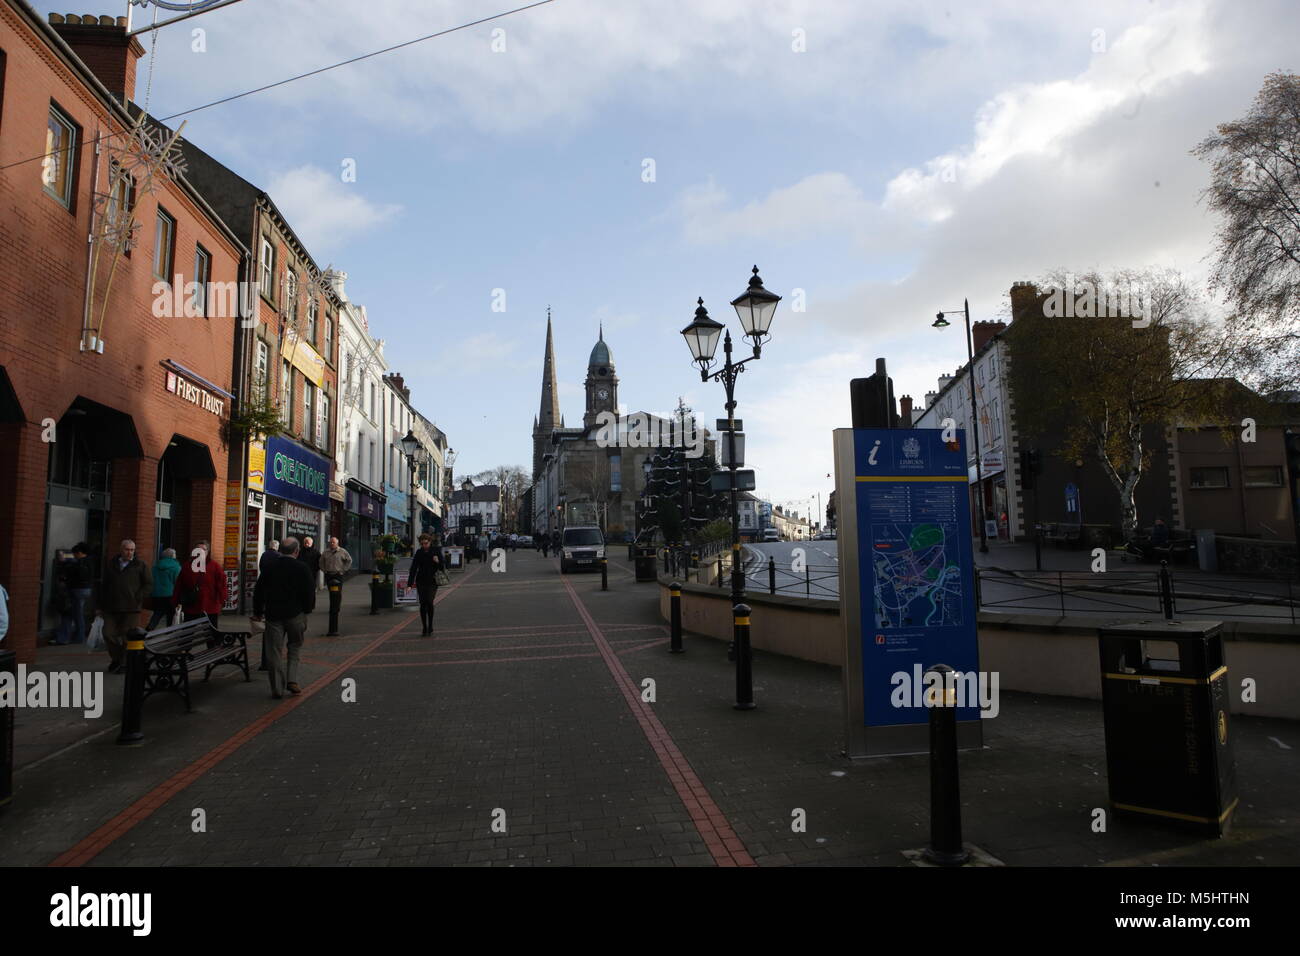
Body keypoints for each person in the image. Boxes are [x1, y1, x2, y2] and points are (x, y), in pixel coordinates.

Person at [252, 536, 315, 699]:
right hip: (296, 614)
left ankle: (277, 688)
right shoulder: (302, 568)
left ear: (280, 551)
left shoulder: (270, 567)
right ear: (297, 551)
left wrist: (258, 611)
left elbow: (259, 591)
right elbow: (309, 592)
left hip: (274, 615)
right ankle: (292, 679)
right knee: (294, 646)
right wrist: (307, 610)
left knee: (274, 651)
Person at [96, 539, 152, 673]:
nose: (129, 552)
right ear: (121, 550)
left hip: (131, 608)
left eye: (132, 550)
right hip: (111, 607)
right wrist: (99, 606)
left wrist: (138, 597)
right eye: (127, 549)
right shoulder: (111, 564)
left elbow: (149, 584)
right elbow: (104, 586)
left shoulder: (140, 565)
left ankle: (123, 663)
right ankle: (117, 658)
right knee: (108, 634)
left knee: (127, 637)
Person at [173, 539, 228, 626]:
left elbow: (221, 584)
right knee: (188, 632)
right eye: (198, 549)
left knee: (211, 632)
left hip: (210, 605)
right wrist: (176, 600)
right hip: (191, 604)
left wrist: (222, 599)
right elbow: (180, 584)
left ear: (207, 552)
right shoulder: (187, 566)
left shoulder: (215, 566)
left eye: (203, 549)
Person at [53, 542, 95, 645]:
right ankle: (68, 637)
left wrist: (63, 564)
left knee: (75, 614)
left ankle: (76, 637)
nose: (74, 556)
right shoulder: (89, 562)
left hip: (77, 590)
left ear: (80, 553)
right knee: (74, 613)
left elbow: (71, 574)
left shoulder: (79, 563)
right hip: (86, 590)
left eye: (75, 554)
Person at [408, 533, 443, 636]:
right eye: (422, 543)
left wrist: (437, 561)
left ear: (430, 542)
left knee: (429, 602)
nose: (424, 545)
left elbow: (443, 567)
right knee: (423, 603)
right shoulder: (419, 553)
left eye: (426, 543)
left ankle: (430, 625)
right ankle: (424, 626)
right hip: (421, 581)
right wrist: (410, 584)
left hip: (432, 581)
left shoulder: (435, 551)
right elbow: (413, 569)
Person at [320, 536, 352, 637]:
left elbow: (349, 560)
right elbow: (321, 562)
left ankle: (336, 607)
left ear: (337, 543)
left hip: (338, 574)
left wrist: (344, 570)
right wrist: (324, 570)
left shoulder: (342, 551)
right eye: (331, 542)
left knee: (338, 593)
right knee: (331, 592)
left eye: (334, 542)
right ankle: (333, 606)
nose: (332, 544)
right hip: (329, 574)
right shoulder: (326, 552)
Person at [147, 547, 181, 630]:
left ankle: (148, 630)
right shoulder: (176, 567)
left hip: (156, 594)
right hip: (170, 595)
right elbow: (178, 582)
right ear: (173, 555)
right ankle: (169, 632)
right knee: (171, 615)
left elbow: (151, 580)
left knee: (157, 614)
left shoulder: (155, 566)